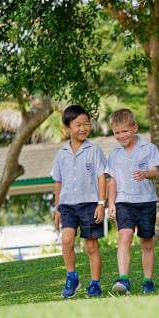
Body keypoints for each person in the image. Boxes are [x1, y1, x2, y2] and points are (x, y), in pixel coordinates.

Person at [106, 109, 159, 295]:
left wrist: (146, 173)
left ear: (135, 128)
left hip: (146, 201)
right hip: (124, 202)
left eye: (124, 131)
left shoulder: (148, 149)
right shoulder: (114, 155)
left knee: (146, 242)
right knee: (124, 238)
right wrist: (111, 203)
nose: (121, 136)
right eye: (116, 132)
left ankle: (148, 280)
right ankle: (123, 280)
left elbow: (156, 171)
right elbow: (112, 181)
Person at [51, 105, 107, 298]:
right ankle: (71, 276)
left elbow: (102, 177)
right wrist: (57, 208)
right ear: (68, 128)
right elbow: (58, 182)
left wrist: (101, 203)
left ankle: (95, 283)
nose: (83, 128)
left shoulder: (95, 150)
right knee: (67, 240)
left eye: (86, 124)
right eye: (78, 125)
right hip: (67, 205)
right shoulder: (61, 155)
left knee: (91, 246)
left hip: (90, 203)